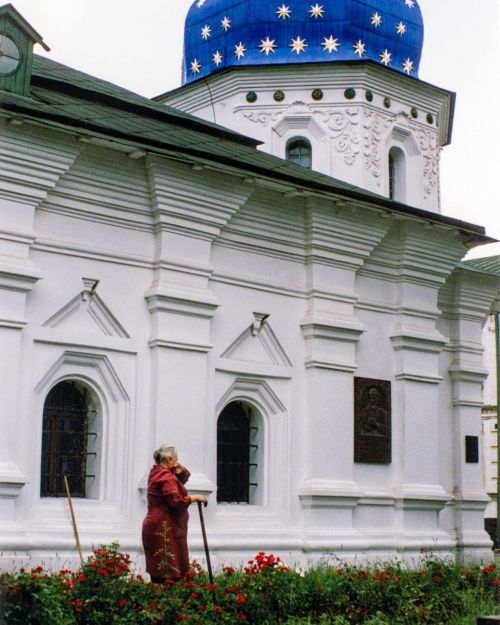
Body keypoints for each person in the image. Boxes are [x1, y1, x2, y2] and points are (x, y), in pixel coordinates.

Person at [142, 445, 207, 583]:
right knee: (168, 573)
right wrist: (194, 498)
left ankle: (159, 603)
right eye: (176, 458)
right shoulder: (166, 477)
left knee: (162, 572)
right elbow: (176, 501)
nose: (178, 461)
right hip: (165, 527)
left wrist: (181, 471)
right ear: (170, 459)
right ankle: (168, 603)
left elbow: (176, 485)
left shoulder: (157, 472)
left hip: (158, 524)